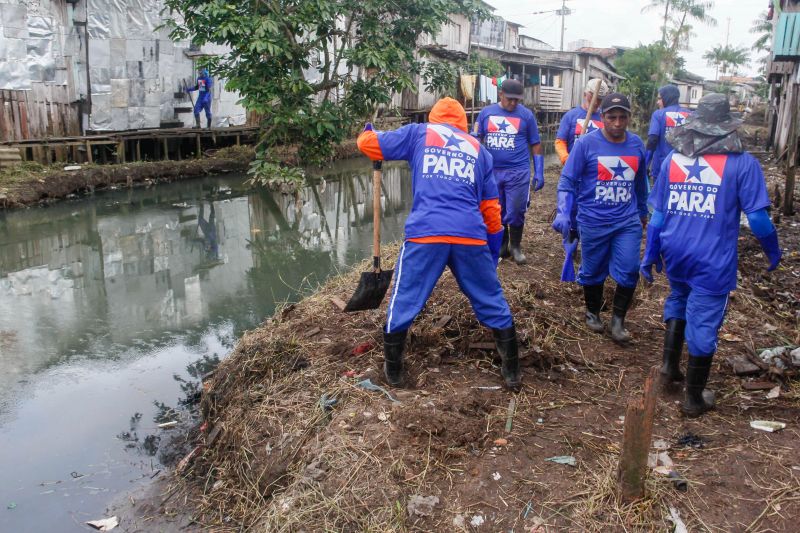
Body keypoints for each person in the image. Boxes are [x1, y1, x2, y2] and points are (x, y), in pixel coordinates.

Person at [357, 97, 521, 391]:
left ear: (433, 119)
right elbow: (492, 212)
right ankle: (512, 370)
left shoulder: (418, 133)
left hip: (426, 233)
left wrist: (367, 133)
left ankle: (393, 371)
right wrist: (492, 251)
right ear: (463, 124)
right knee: (490, 297)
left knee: (405, 298)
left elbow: (368, 145)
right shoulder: (479, 150)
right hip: (469, 235)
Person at [641, 93, 782, 417]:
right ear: (727, 128)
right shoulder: (743, 163)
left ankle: (669, 367)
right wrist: (774, 251)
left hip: (675, 251)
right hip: (712, 257)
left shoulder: (673, 160)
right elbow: (758, 219)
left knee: (678, 298)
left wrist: (649, 256)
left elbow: (658, 218)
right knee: (704, 323)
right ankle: (693, 399)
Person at [552, 93, 648, 343]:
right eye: (611, 117)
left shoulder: (637, 145)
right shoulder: (586, 144)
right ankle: (593, 311)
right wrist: (564, 211)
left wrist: (643, 212)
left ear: (629, 117)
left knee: (629, 269)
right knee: (593, 270)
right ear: (602, 117)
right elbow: (568, 180)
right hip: (593, 219)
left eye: (622, 117)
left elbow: (640, 183)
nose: (617, 122)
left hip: (626, 221)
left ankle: (618, 321)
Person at [473, 79, 544, 264]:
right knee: (497, 209)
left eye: (517, 100)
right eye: (510, 99)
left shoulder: (526, 116)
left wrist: (539, 171)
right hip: (492, 171)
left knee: (516, 210)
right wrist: (476, 167)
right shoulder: (486, 113)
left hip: (518, 171)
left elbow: (535, 144)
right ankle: (502, 245)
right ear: (501, 94)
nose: (513, 103)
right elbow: (477, 140)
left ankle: (516, 245)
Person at [554, 78, 610, 166]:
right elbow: (560, 141)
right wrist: (566, 159)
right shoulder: (571, 116)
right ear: (585, 94)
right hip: (575, 166)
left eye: (600, 99)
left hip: (596, 170)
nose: (596, 102)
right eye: (592, 96)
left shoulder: (606, 118)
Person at [645, 85, 691, 182]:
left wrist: (645, 164)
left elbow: (652, 140)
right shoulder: (690, 114)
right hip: (685, 169)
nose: (657, 102)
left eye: (659, 99)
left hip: (661, 166)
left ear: (667, 97)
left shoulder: (658, 114)